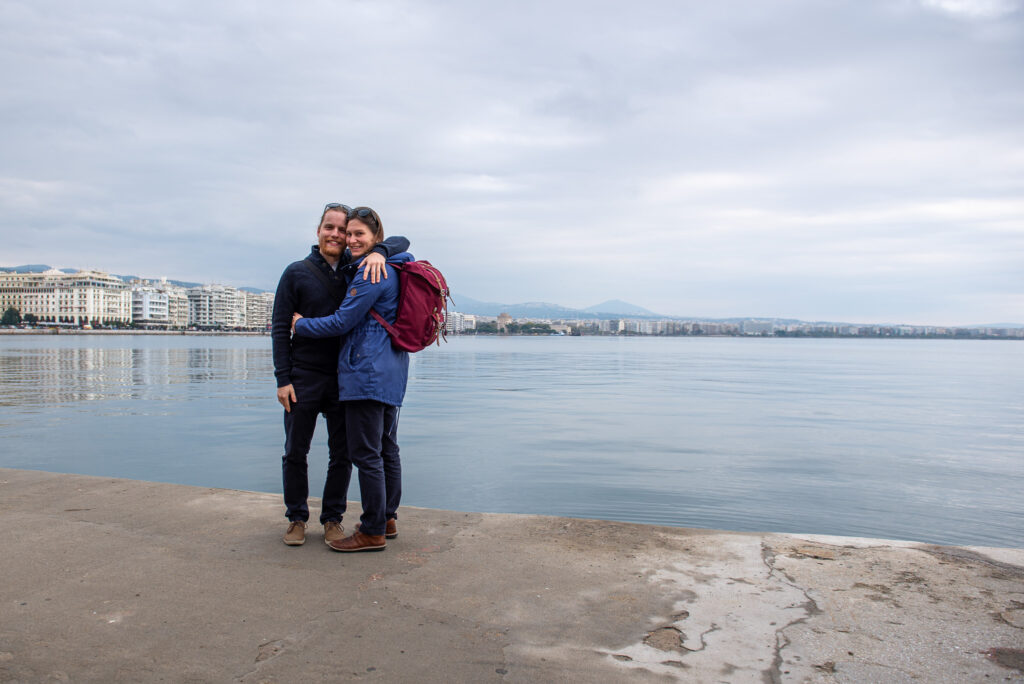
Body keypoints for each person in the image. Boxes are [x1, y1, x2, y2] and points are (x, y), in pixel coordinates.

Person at [271, 203, 409, 547]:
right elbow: (278, 328)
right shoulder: (296, 272)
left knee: (344, 455)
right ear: (318, 230)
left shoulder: (359, 269)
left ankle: (333, 518)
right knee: (295, 452)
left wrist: (380, 250)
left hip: (344, 377)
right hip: (303, 376)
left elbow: (402, 242)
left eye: (345, 231)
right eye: (331, 228)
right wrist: (282, 378)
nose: (338, 235)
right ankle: (297, 519)